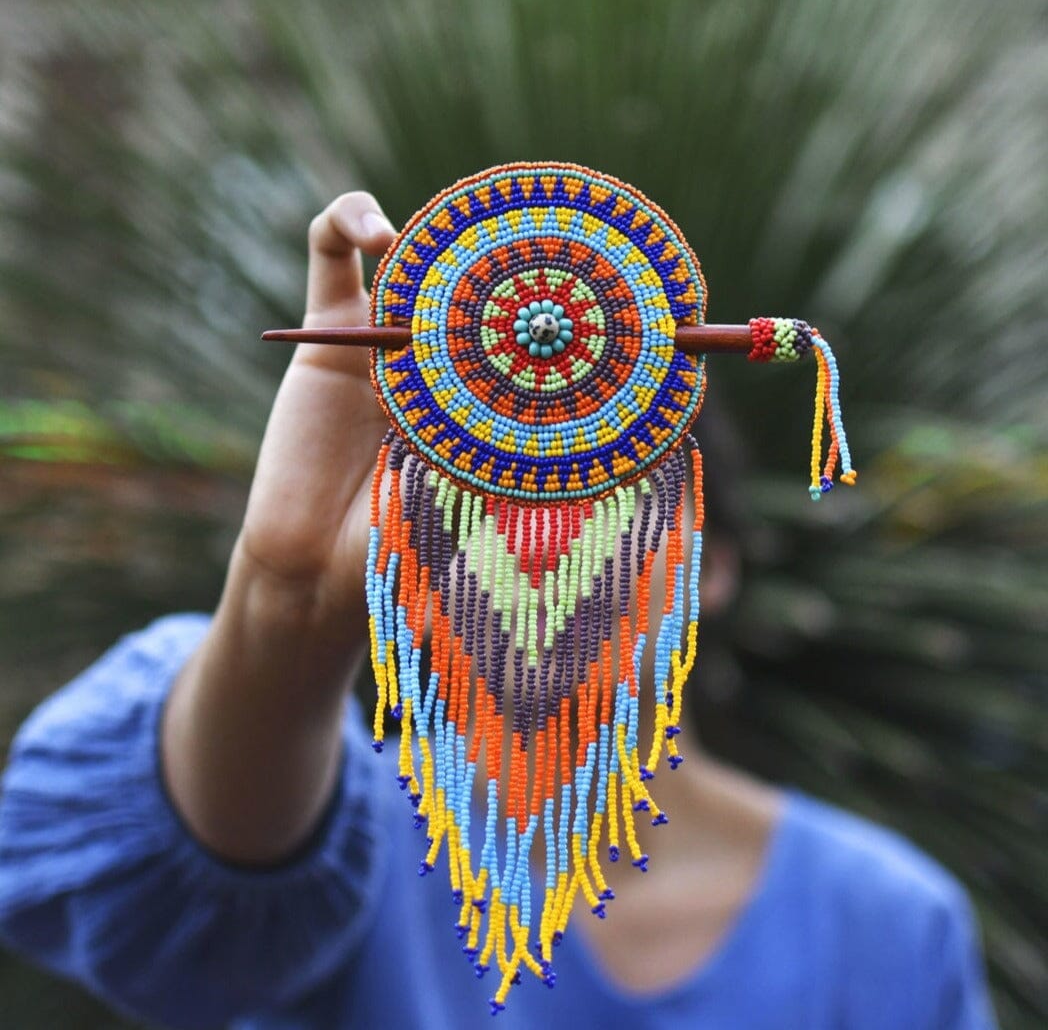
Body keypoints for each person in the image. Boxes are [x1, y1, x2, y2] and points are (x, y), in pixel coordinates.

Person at [0, 193, 997, 1029]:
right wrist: (288, 599)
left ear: (713, 561)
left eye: (604, 501)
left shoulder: (890, 924)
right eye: (480, 504)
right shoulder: (338, 829)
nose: (538, 550)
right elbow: (178, 893)